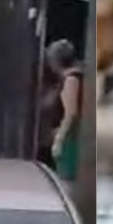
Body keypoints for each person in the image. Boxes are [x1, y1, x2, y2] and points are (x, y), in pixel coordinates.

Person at [40, 39, 84, 181]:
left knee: (65, 177)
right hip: (69, 136)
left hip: (68, 139)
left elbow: (71, 113)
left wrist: (59, 140)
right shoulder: (76, 77)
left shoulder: (71, 80)